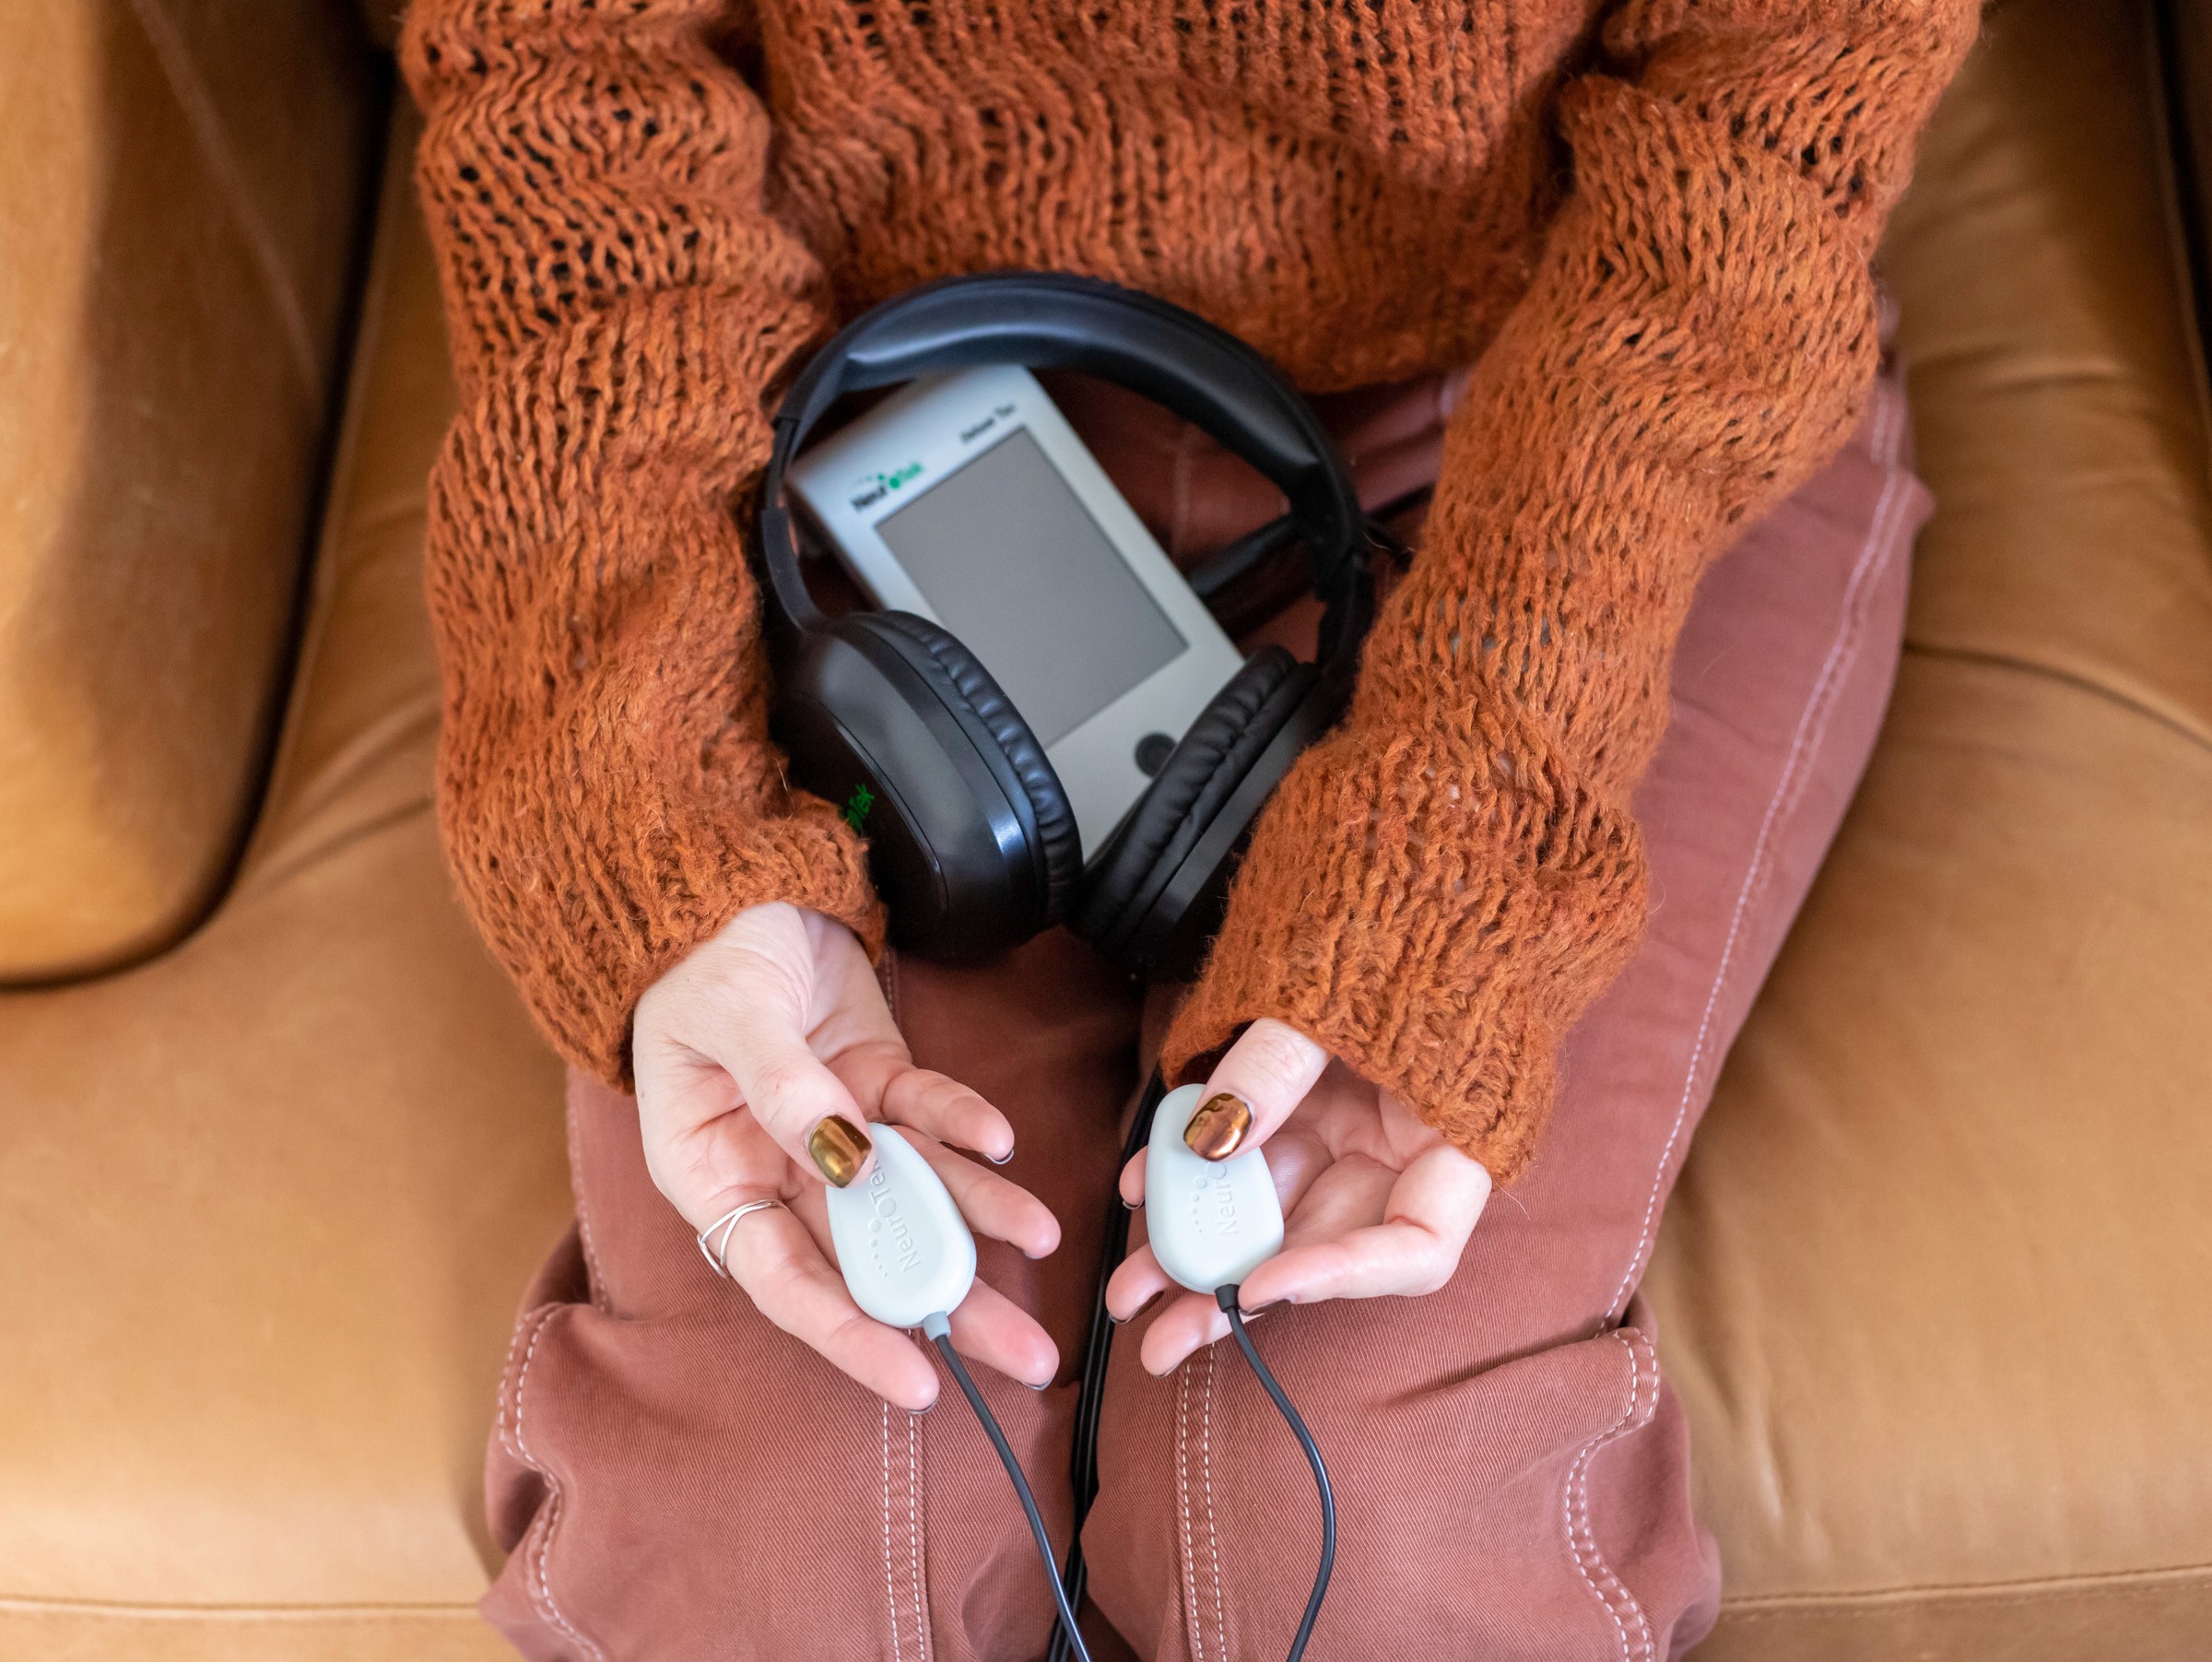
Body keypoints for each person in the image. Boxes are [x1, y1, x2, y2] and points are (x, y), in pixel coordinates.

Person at [399, 2, 1977, 1656]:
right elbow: (558, 91)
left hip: (1587, 405)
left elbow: (1763, 151)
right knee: (795, 1522)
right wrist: (665, 834)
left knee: (1344, 1525)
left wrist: (1452, 876)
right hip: (864, 415)